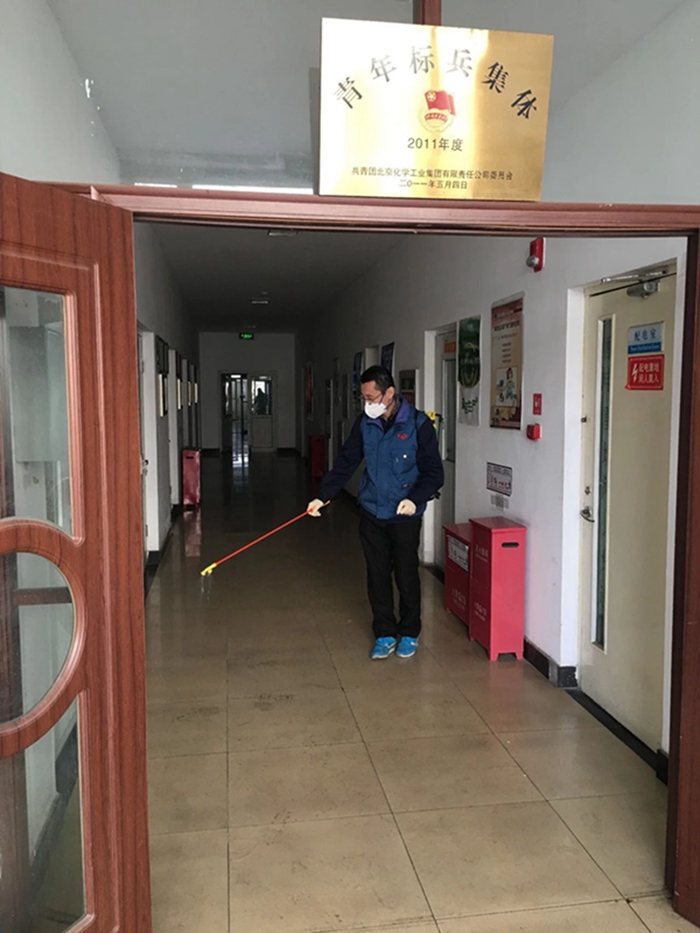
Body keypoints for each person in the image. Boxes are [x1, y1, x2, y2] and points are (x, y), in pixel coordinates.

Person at [308, 365, 444, 660]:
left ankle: (409, 632)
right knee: (377, 575)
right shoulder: (364, 424)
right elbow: (346, 462)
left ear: (389, 393)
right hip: (371, 511)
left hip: (405, 515)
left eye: (371, 397)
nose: (367, 403)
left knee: (406, 575)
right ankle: (384, 633)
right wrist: (323, 496)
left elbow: (434, 472)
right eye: (364, 398)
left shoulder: (418, 424)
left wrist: (415, 499)